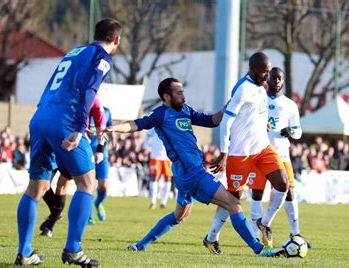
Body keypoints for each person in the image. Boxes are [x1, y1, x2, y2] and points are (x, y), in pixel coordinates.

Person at [104, 77, 284, 257]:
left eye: (183, 91)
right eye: (179, 92)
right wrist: (113, 128)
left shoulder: (185, 110)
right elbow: (137, 124)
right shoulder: (160, 114)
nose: (183, 95)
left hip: (186, 173)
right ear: (166, 96)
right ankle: (259, 249)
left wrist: (228, 107)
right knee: (233, 203)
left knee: (179, 216)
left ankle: (140, 245)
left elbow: (212, 120)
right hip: (193, 174)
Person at [14, 18, 121, 267]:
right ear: (116, 40)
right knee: (87, 183)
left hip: (40, 116)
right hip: (64, 120)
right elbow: (87, 90)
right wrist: (78, 128)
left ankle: (25, 252)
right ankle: (73, 250)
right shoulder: (103, 57)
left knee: (36, 188)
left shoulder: (75, 52)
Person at [204, 53, 289, 254]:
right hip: (240, 153)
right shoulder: (242, 89)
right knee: (233, 199)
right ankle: (211, 238)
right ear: (252, 69)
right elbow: (226, 121)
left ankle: (264, 223)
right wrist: (224, 152)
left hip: (262, 148)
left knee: (283, 183)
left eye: (269, 71)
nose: (268, 76)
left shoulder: (261, 87)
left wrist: (264, 122)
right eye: (265, 71)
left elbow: (256, 111)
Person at [246, 67, 310, 248]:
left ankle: (294, 232)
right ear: (268, 79)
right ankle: (254, 234)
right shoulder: (258, 99)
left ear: (283, 81)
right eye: (274, 77)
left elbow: (298, 131)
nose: (277, 81)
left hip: (282, 155)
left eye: (280, 78)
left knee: (290, 192)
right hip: (260, 153)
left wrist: (291, 131)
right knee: (257, 193)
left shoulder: (290, 104)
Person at [39, 95, 112, 238]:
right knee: (43, 185)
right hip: (53, 142)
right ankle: (56, 213)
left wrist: (99, 150)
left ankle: (50, 225)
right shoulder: (65, 97)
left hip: (74, 148)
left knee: (62, 186)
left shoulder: (97, 103)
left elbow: (101, 127)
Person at [143, 127, 173, 209]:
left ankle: (163, 202)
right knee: (154, 178)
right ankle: (153, 202)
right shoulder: (155, 119)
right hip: (156, 155)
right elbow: (148, 134)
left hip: (168, 156)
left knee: (168, 178)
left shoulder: (171, 120)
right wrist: (145, 147)